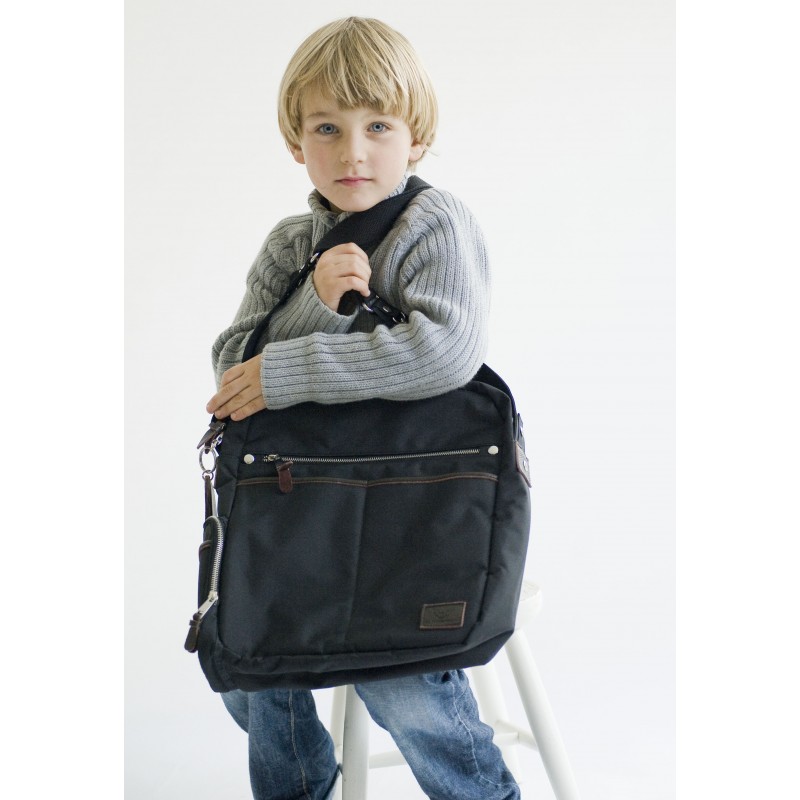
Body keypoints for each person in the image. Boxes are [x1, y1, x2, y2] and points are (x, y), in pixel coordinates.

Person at [206, 17, 520, 800]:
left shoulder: (433, 225)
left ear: (417, 139)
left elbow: (445, 352)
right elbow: (234, 372)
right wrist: (315, 301)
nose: (353, 152)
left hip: (415, 520)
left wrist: (290, 369)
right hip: (302, 515)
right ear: (296, 142)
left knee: (405, 688)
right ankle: (302, 783)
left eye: (378, 126)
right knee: (246, 665)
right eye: (327, 128)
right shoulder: (291, 245)